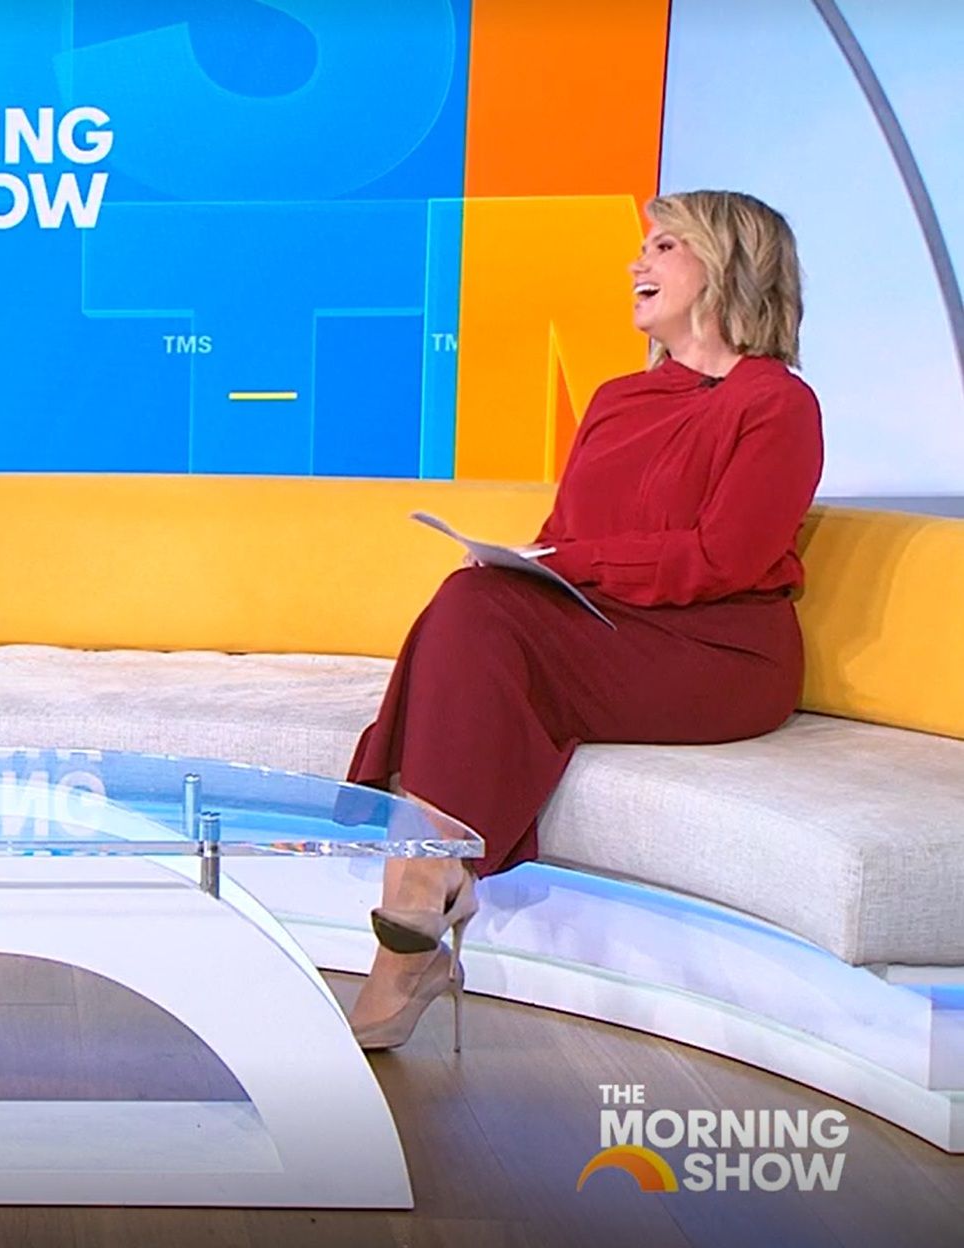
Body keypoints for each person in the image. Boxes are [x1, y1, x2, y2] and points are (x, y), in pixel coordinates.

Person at [344, 190, 823, 1050]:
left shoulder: (776, 403)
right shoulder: (617, 399)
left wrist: (571, 566)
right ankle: (420, 892)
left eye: (664, 246)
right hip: (606, 629)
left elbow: (726, 558)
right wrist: (530, 564)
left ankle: (418, 902)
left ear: (727, 263)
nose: (639, 262)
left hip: (717, 652)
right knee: (472, 599)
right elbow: (569, 538)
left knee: (477, 615)